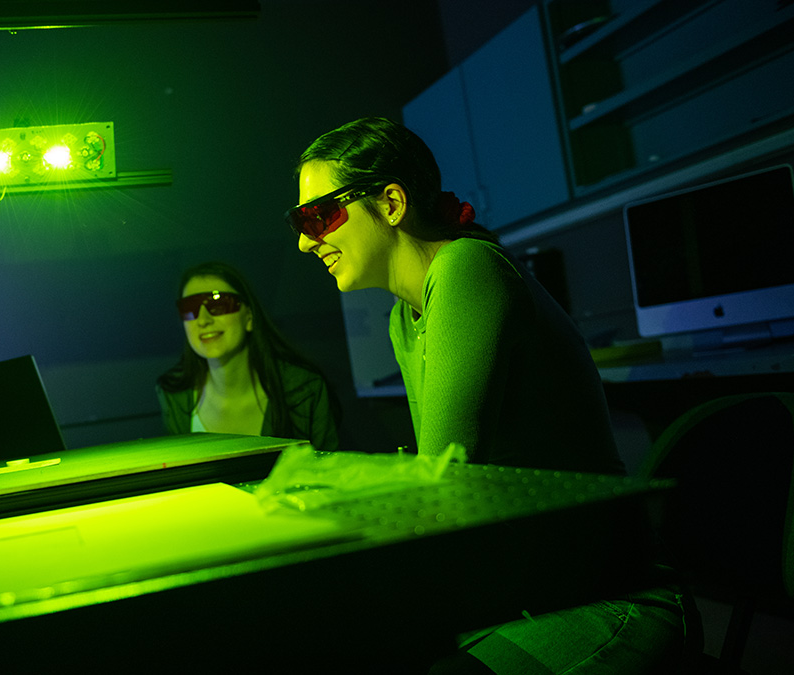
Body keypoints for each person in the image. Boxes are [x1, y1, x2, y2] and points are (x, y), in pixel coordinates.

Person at [289, 117, 687, 673]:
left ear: (392, 203)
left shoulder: (467, 267)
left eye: (318, 215)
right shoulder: (405, 320)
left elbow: (443, 484)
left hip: (605, 600)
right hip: (522, 595)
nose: (307, 240)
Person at [156, 261, 339, 452]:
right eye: (189, 308)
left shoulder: (303, 390)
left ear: (249, 317)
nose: (203, 320)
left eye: (218, 303)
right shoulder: (174, 394)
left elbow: (330, 472)